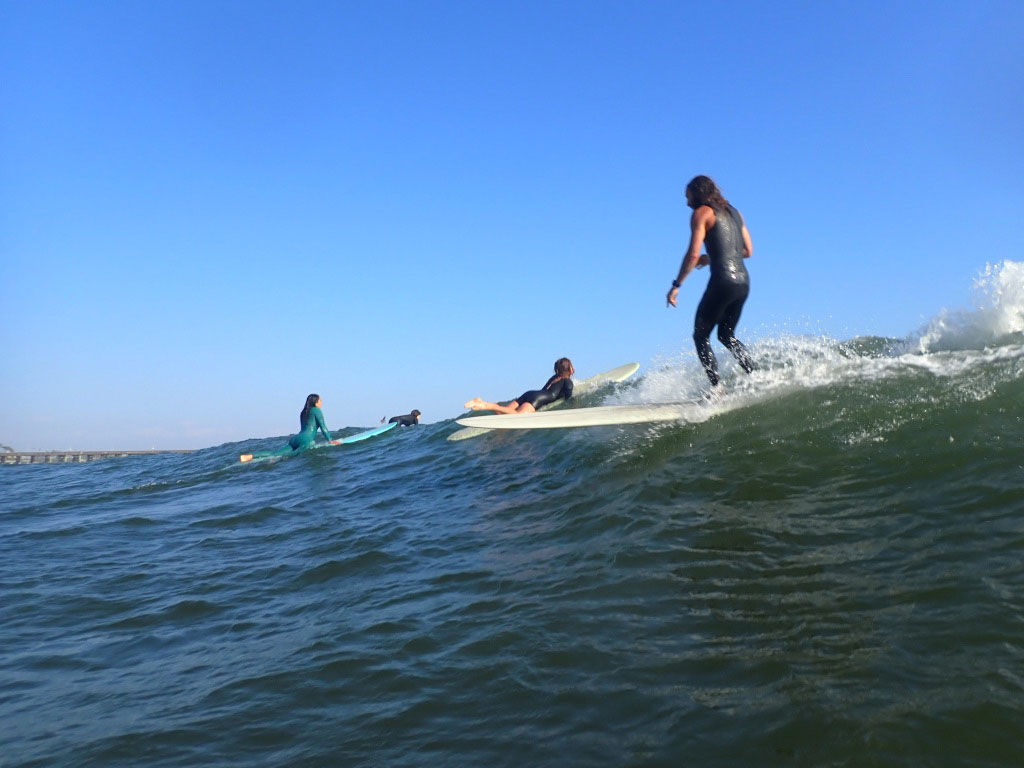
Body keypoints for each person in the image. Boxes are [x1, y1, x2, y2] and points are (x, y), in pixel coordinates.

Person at [666, 175, 756, 390]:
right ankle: (756, 375)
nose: (687, 203)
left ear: (698, 194)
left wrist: (676, 285)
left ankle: (717, 390)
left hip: (722, 282)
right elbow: (748, 251)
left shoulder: (701, 213)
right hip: (743, 282)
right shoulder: (735, 213)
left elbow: (692, 255)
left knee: (700, 336)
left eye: (688, 197)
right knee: (726, 335)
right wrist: (711, 257)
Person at [240, 393, 337, 462]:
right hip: (306, 439)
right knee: (295, 453)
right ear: (316, 402)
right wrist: (330, 440)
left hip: (295, 439)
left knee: (274, 453)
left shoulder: (303, 412)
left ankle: (249, 456)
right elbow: (323, 427)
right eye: (320, 400)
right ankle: (277, 459)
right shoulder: (316, 410)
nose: (321, 402)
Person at [464, 358, 575, 414]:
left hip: (530, 394)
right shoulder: (568, 382)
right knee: (517, 415)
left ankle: (481, 401)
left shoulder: (554, 378)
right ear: (569, 369)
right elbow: (569, 398)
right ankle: (488, 405)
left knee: (504, 412)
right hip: (537, 399)